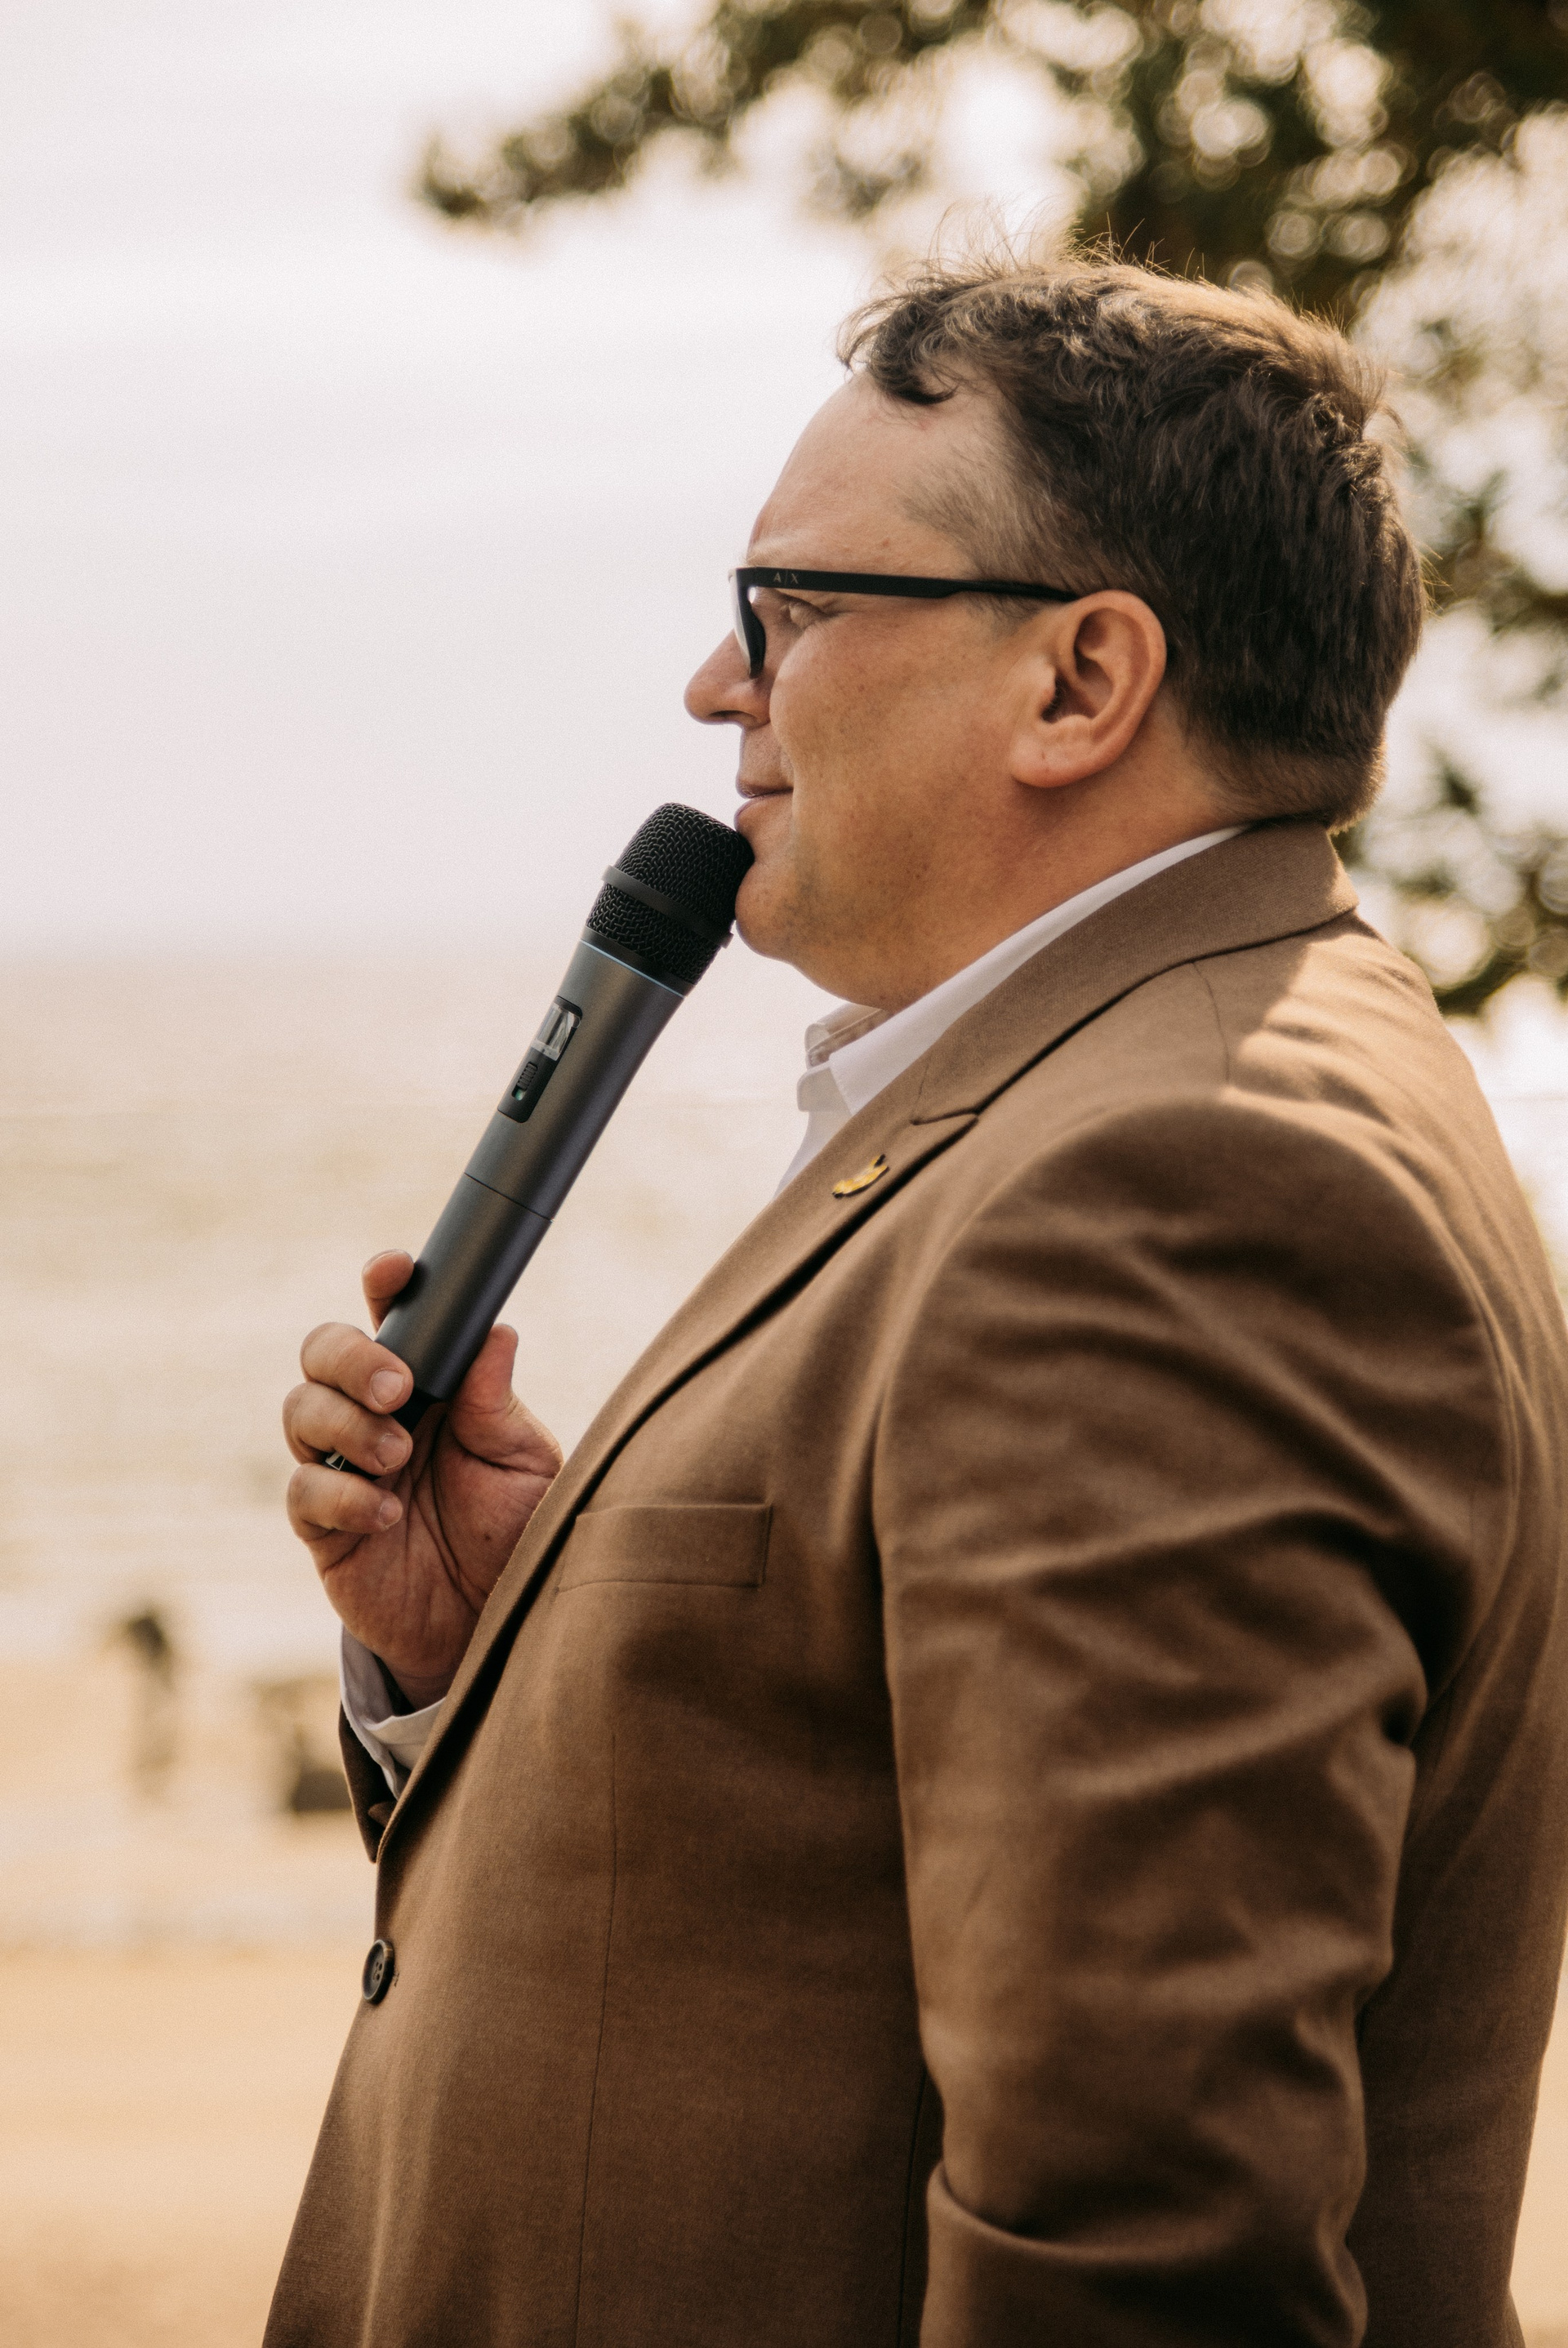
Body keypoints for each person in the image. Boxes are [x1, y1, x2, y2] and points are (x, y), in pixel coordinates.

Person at [268, 255, 1568, 2348]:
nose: (719, 683)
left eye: (792, 605)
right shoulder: (1145, 1080)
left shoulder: (1174, 1187)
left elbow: (1140, 2244)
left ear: (1081, 681)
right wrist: (514, 1635)